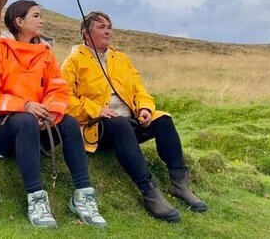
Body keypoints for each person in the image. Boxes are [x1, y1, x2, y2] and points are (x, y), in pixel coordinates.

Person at [0, 0, 106, 229]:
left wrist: (51, 113)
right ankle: (36, 199)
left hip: (35, 126)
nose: (41, 20)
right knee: (25, 120)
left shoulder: (45, 54)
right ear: (19, 22)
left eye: (41, 15)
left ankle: (83, 195)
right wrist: (25, 105)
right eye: (35, 16)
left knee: (69, 122)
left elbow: (58, 89)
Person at [61, 11, 207, 222]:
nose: (108, 31)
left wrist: (144, 109)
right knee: (119, 124)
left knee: (163, 120)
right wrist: (97, 110)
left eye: (109, 27)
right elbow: (64, 99)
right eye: (101, 27)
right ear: (86, 34)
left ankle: (179, 184)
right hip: (99, 127)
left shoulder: (120, 58)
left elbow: (139, 90)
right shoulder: (73, 61)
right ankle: (149, 192)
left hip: (129, 122)